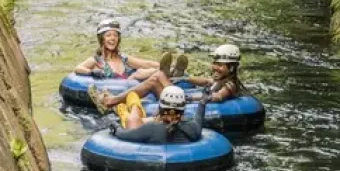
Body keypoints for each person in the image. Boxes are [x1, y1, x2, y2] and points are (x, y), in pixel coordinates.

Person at [94, 45, 245, 112]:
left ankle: (111, 102)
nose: (215, 67)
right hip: (181, 100)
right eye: (214, 64)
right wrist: (186, 78)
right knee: (155, 78)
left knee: (157, 77)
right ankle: (173, 73)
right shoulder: (221, 79)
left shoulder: (230, 84)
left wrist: (190, 96)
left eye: (220, 65)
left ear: (231, 68)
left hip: (182, 102)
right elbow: (206, 81)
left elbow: (218, 96)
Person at [75, 19, 167, 82]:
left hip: (129, 89)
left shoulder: (123, 58)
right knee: (138, 74)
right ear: (102, 39)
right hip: (113, 94)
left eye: (115, 35)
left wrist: (160, 65)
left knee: (141, 72)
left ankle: (168, 69)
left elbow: (146, 64)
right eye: (108, 35)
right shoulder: (96, 60)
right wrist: (91, 72)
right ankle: (164, 71)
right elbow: (78, 68)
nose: (113, 38)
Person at [109, 85, 206, 141]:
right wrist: (202, 103)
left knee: (131, 106)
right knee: (136, 117)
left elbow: (124, 135)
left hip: (140, 125)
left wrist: (115, 128)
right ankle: (124, 106)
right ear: (183, 109)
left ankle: (121, 106)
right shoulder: (192, 128)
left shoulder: (151, 128)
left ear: (160, 107)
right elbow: (198, 120)